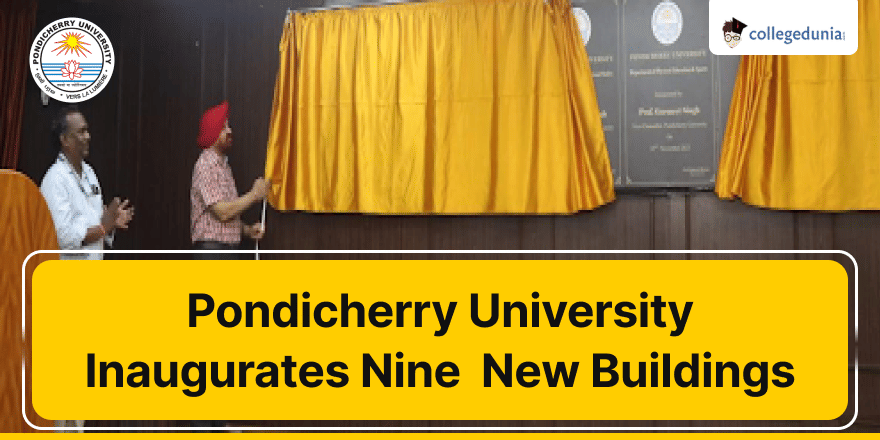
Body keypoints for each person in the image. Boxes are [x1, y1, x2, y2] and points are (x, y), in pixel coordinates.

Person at [40, 105, 134, 261]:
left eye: (87, 131)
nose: (88, 136)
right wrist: (102, 228)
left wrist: (112, 222)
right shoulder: (55, 179)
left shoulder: (89, 172)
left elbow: (95, 221)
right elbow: (62, 237)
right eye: (81, 132)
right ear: (65, 140)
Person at [191, 100, 268, 257]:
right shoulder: (206, 165)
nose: (230, 131)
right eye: (223, 128)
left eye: (228, 126)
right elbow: (222, 212)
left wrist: (247, 231)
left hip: (225, 251)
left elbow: (228, 215)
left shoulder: (223, 166)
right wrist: (254, 195)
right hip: (213, 253)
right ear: (213, 133)